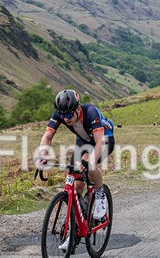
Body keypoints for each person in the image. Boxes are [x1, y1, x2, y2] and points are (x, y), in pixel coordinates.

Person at [37, 89, 115, 220]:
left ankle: (100, 195)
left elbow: (99, 143)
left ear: (78, 109)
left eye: (68, 116)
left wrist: (90, 160)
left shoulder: (91, 112)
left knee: (88, 162)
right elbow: (48, 136)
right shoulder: (60, 113)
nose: (65, 119)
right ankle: (77, 225)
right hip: (84, 141)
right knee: (76, 184)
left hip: (104, 139)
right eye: (62, 116)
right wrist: (42, 154)